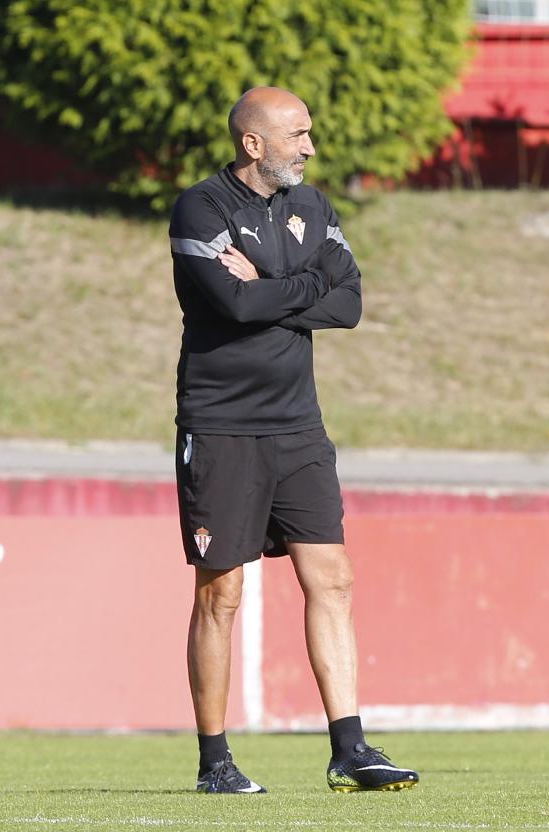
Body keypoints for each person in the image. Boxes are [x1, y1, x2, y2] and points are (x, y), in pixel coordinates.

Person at [167, 87, 418, 795]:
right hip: (221, 427)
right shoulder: (200, 208)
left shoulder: (313, 208)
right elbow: (232, 302)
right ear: (254, 144)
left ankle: (351, 749)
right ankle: (215, 763)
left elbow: (351, 302)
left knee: (332, 577)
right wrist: (299, 289)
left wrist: (274, 280)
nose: (310, 146)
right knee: (221, 594)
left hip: (299, 425)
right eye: (297, 134)